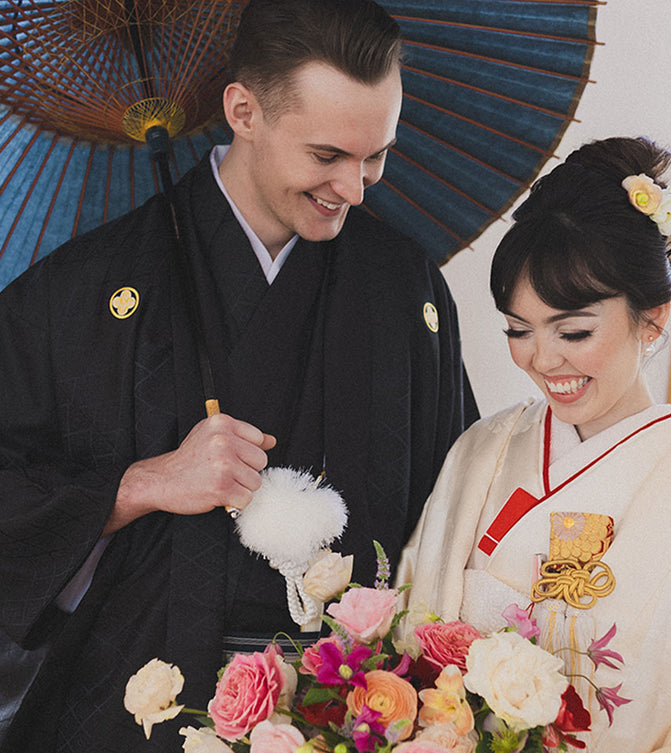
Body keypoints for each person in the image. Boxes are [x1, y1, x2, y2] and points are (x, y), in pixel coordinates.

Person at [0, 1, 477, 750]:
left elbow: (457, 522)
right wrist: (142, 483)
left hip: (351, 717)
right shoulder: (84, 290)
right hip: (134, 712)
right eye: (327, 156)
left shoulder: (402, 288)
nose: (354, 188)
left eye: (376, 155)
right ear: (243, 110)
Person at [398, 137, 671, 752]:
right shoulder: (485, 449)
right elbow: (410, 633)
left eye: (575, 330)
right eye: (519, 330)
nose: (543, 358)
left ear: (653, 317)